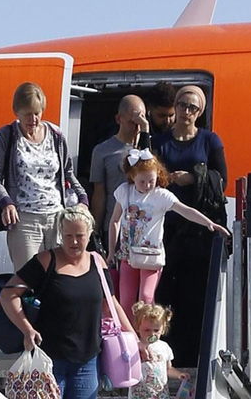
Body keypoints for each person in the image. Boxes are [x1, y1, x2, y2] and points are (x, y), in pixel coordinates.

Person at [0, 204, 111, 399]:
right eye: (69, 236)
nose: (74, 242)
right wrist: (26, 328)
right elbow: (8, 294)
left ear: (90, 234)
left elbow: (110, 305)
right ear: (60, 234)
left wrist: (133, 341)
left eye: (80, 236)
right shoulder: (45, 261)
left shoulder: (98, 263)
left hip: (87, 360)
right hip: (51, 362)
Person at [154, 84, 230, 378]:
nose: (187, 112)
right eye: (183, 105)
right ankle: (167, 359)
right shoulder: (160, 142)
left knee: (196, 297)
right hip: (166, 230)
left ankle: (196, 360)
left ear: (200, 112)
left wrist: (193, 179)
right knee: (166, 296)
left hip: (198, 232)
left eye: (193, 107)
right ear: (175, 106)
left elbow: (220, 179)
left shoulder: (210, 140)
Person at [108, 146, 230, 316]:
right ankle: (130, 338)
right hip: (127, 255)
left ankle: (146, 338)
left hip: (151, 256)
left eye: (151, 180)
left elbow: (185, 210)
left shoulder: (161, 195)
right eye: (142, 181)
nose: (147, 185)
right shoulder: (124, 191)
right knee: (126, 301)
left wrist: (208, 223)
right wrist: (111, 251)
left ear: (158, 175)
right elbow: (114, 220)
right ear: (132, 176)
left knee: (146, 298)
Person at [0, 80, 81, 272]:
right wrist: (6, 202)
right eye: (27, 114)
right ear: (16, 112)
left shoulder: (55, 135)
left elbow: (68, 173)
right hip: (25, 220)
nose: (33, 119)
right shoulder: (7, 136)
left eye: (37, 113)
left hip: (56, 217)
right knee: (28, 278)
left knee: (58, 276)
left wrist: (83, 200)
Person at [84, 91, 150, 232]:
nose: (136, 127)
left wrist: (145, 131)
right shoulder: (103, 151)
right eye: (132, 122)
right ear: (119, 119)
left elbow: (149, 170)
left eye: (141, 122)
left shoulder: (149, 149)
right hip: (115, 226)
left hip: (144, 227)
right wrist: (95, 229)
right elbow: (99, 193)